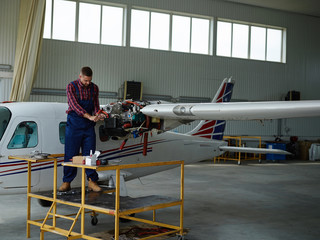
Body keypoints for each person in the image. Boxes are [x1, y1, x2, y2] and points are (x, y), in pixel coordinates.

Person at [59, 66, 105, 192]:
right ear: (80, 77)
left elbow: (96, 104)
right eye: (85, 81)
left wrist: (98, 114)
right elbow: (74, 105)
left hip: (88, 126)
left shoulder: (94, 88)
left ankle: (92, 181)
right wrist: (89, 116)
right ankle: (67, 182)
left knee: (90, 155)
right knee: (71, 153)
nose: (88, 83)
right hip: (74, 124)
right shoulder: (71, 86)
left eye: (89, 80)